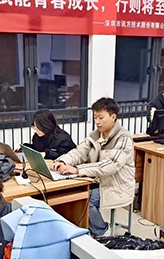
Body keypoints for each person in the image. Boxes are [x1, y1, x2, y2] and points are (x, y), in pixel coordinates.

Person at [52, 98, 135, 236]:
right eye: (95, 117)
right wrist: (62, 161)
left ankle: (102, 232)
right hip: (99, 182)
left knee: (85, 200)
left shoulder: (124, 138)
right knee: (72, 195)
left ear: (113, 117)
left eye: (101, 118)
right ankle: (85, 230)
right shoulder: (95, 136)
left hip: (118, 186)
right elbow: (79, 152)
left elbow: (110, 165)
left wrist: (78, 170)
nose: (97, 121)